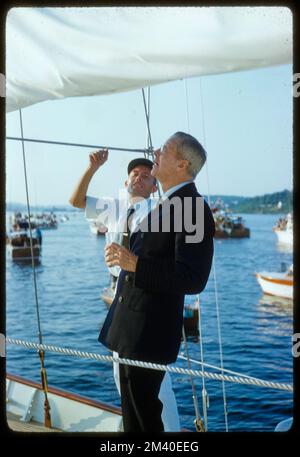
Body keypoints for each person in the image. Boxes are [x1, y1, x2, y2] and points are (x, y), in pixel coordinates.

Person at [103, 131, 215, 432]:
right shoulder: (166, 203)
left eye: (163, 151)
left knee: (144, 416)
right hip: (132, 330)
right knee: (133, 414)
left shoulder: (192, 207)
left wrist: (134, 263)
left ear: (181, 165)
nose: (155, 153)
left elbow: (193, 278)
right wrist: (126, 260)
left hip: (148, 335)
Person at [69, 151, 181, 432]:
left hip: (148, 299)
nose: (139, 178)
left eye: (146, 175)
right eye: (135, 173)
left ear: (154, 186)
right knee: (124, 379)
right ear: (126, 178)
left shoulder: (160, 212)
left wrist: (164, 166)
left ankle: (167, 434)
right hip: (121, 297)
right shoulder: (114, 207)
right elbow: (75, 201)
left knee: (152, 386)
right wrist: (91, 168)